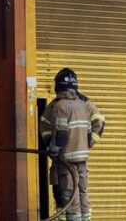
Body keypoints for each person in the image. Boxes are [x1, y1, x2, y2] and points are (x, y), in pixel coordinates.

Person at [39, 68, 106, 221]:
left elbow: (60, 133)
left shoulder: (59, 106)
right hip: (81, 157)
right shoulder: (82, 104)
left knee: (68, 194)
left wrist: (53, 149)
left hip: (64, 158)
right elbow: (95, 124)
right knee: (81, 193)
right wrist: (86, 142)